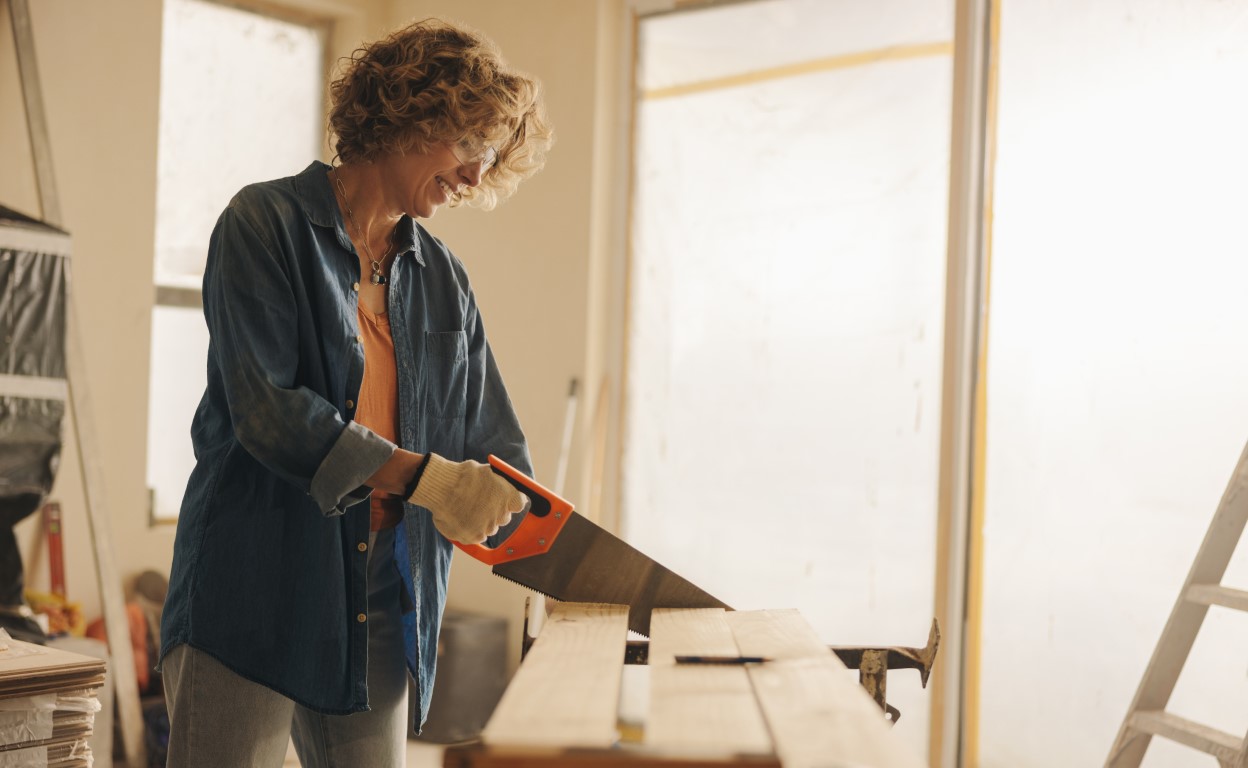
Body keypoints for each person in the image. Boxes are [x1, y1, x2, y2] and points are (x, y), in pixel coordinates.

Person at [158, 18, 552, 767]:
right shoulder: (264, 224)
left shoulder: (444, 279)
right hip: (253, 592)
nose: (475, 178)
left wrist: (550, 544)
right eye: (468, 148)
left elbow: (492, 442)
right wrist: (426, 479)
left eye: (488, 160)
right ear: (411, 116)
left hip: (379, 606)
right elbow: (270, 413)